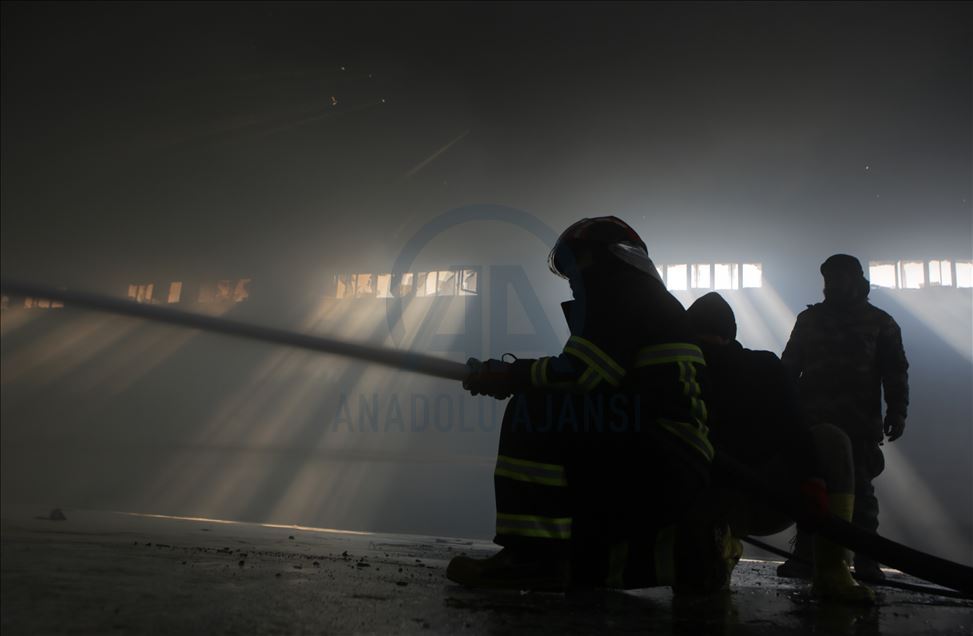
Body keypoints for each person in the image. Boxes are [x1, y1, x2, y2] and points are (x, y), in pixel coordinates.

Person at [446, 217, 719, 591]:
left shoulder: (620, 293)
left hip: (663, 452)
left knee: (535, 409)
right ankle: (688, 556)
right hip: (668, 450)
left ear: (608, 257)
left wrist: (511, 376)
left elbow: (579, 375)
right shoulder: (645, 297)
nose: (573, 277)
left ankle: (530, 556)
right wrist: (513, 375)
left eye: (577, 262)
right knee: (583, 566)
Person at [684, 292, 873, 602]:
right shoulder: (764, 366)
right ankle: (832, 570)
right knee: (831, 438)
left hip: (702, 505)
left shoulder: (680, 370)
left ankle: (720, 553)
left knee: (699, 586)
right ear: (732, 333)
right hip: (767, 503)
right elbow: (796, 430)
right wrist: (813, 480)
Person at [777, 254, 909, 582]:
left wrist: (897, 410)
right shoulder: (810, 320)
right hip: (815, 422)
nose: (833, 284)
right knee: (813, 489)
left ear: (856, 280)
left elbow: (895, 371)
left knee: (860, 494)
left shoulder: (880, 323)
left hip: (858, 425)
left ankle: (866, 562)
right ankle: (806, 557)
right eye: (829, 278)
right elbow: (789, 367)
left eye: (839, 277)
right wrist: (783, 411)